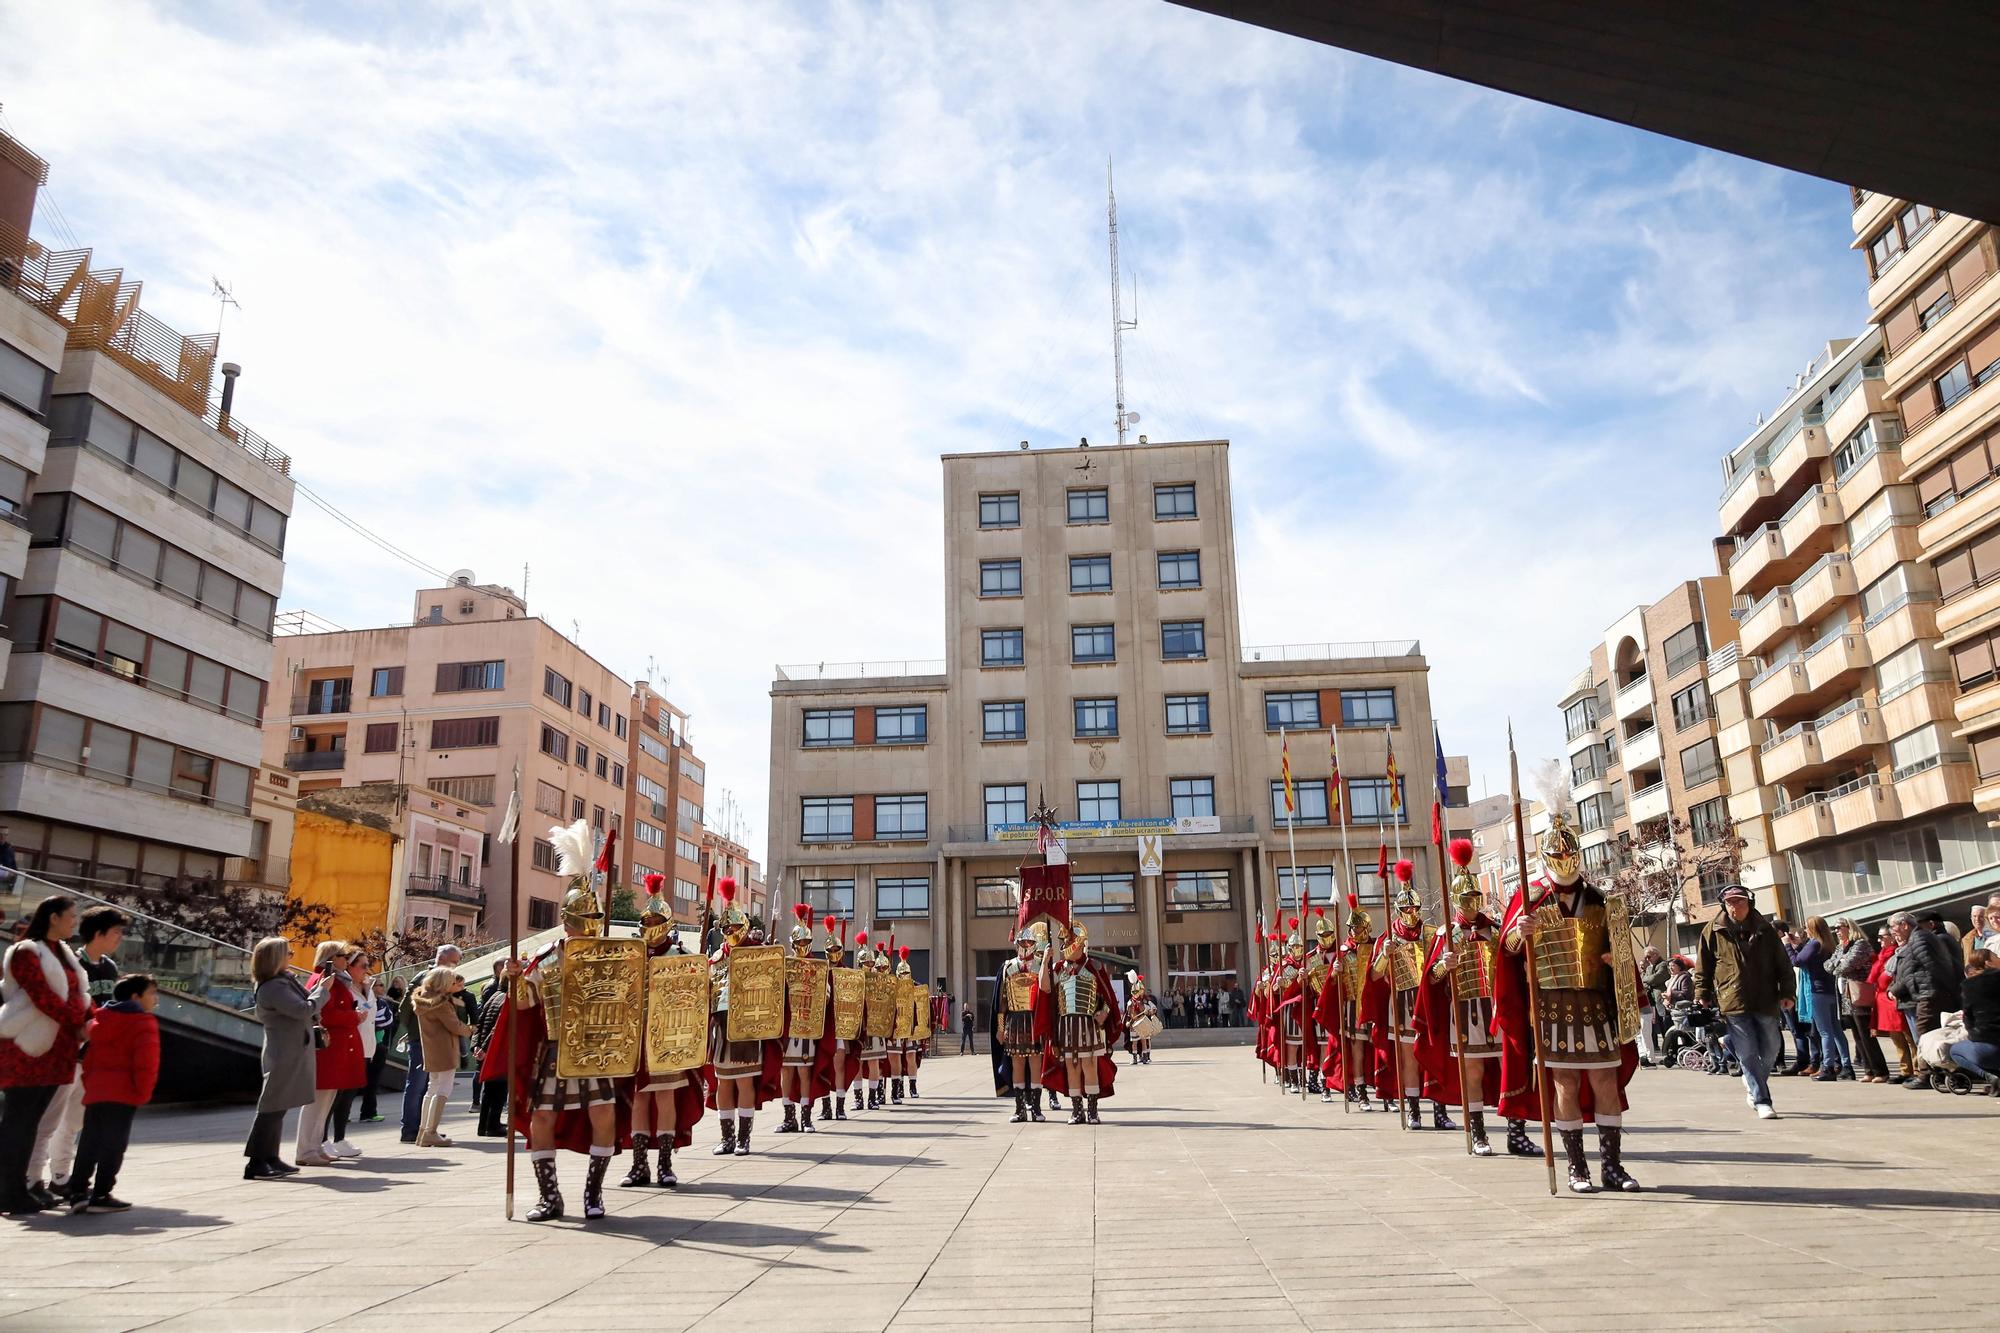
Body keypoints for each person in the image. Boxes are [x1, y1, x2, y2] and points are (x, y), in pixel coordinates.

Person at [478, 821, 629, 1222]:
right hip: (555, 1047)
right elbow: (526, 1006)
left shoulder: (615, 955)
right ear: (567, 920)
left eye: (593, 916)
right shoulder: (545, 956)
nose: (589, 924)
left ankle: (594, 1194)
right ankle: (550, 1197)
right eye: (582, 918)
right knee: (542, 1116)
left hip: (600, 1046)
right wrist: (512, 981)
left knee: (603, 1114)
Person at [1496, 816, 1640, 1193]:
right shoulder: (1529, 898)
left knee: (1606, 1082)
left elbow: (1621, 952)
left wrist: (1616, 961)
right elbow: (1507, 952)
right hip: (1552, 1006)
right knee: (1566, 1083)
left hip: (1596, 1004)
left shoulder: (1599, 899)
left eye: (1568, 852)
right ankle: (1577, 1167)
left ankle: (1612, 1167)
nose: (1563, 857)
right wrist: (1518, 933)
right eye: (1557, 853)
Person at [0, 896, 91, 1216]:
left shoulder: (63, 952)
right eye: (70, 916)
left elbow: (80, 994)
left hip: (57, 1049)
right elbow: (43, 997)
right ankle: (8, 1192)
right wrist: (78, 1023)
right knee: (18, 1122)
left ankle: (20, 1188)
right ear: (53, 918)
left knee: (32, 1123)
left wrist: (86, 1019)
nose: (74, 921)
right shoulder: (27, 951)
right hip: (28, 1047)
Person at [27, 905, 123, 1208]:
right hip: (70, 1051)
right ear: (98, 933)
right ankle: (33, 1178)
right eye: (116, 932)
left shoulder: (109, 967)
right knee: (51, 1118)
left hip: (95, 1054)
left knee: (74, 1120)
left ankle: (61, 1176)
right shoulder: (73, 963)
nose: (120, 938)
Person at [617, 879, 705, 1185]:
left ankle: (665, 1164)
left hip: (670, 1038)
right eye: (647, 921)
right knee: (639, 1099)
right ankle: (639, 1164)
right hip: (636, 1038)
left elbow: (696, 997)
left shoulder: (680, 955)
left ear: (667, 924)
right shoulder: (631, 956)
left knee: (665, 1096)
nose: (651, 926)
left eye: (656, 921)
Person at [1417, 842, 1502, 1154]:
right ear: (1455, 899)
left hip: (1496, 1009)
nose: (1471, 903)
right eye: (1465, 897)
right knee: (1473, 1073)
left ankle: (1517, 1131)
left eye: (1474, 897)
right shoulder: (1445, 935)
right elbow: (1432, 978)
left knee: (1510, 1069)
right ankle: (1478, 1132)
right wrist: (1444, 965)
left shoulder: (1494, 929)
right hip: (1465, 1011)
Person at [1367, 864, 1454, 1132]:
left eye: (1414, 909)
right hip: (1403, 1003)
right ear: (1398, 911)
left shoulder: (1432, 933)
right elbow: (1373, 977)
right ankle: (1414, 1109)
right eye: (1405, 910)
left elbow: (1441, 965)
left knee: (1436, 1054)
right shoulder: (1388, 938)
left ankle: (1440, 1111)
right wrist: (1384, 954)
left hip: (1432, 1001)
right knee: (1409, 1058)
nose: (1410, 914)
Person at [1696, 884, 1794, 1119]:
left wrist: (1788, 993)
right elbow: (1703, 967)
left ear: (1749, 903)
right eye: (1730, 902)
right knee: (1748, 1051)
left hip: (1765, 997)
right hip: (1732, 1000)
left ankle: (1750, 1078)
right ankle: (1762, 1100)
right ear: (1724, 904)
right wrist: (1702, 994)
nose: (1735, 906)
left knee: (1771, 1048)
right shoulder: (1712, 931)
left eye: (1740, 901)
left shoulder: (1766, 930)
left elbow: (1783, 964)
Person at [68, 973, 159, 1213]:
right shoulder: (143, 1023)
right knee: (113, 1144)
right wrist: (142, 1093)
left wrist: (91, 1083)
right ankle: (101, 1193)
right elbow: (147, 1063)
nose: (155, 999)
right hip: (124, 1093)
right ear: (135, 997)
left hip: (97, 1091)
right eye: (151, 993)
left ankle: (77, 1190)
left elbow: (89, 1059)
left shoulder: (100, 1020)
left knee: (90, 1141)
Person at [703, 878, 782, 1154]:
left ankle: (744, 1139)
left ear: (745, 927)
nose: (730, 931)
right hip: (722, 1027)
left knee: (744, 1080)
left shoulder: (758, 954)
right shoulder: (714, 959)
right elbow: (706, 994)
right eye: (726, 927)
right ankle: (727, 1138)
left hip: (749, 1024)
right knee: (724, 1081)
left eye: (735, 926)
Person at [243, 936, 324, 1179]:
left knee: (279, 1106)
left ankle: (270, 1156)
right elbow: (302, 1009)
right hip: (283, 1052)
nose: (291, 957)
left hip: (291, 1048)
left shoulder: (283, 982)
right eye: (287, 953)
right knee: (271, 1106)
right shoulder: (273, 987)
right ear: (275, 958)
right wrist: (322, 992)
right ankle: (256, 1161)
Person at [1040, 919, 1122, 1124]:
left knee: (1089, 1065)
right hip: (1066, 1026)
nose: (1065, 945)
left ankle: (1092, 1110)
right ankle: (1077, 1110)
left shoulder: (1094, 966)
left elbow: (1108, 997)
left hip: (1089, 1025)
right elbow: (1044, 989)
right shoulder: (1059, 968)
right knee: (1072, 1067)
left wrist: (1103, 1012)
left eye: (1068, 941)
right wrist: (1044, 962)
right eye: (1064, 941)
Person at [296, 941, 363, 1167]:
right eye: (343, 955)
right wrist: (354, 1017)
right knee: (317, 1102)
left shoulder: (335, 980)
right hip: (327, 1048)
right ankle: (307, 1148)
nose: (347, 959)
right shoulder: (325, 980)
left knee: (325, 1101)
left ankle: (315, 1146)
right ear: (332, 958)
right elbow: (326, 1014)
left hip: (336, 1047)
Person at [1888, 910, 1962, 1087]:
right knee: (1931, 1034)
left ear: (1905, 925)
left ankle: (1925, 1075)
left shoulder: (1919, 939)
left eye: (1893, 927)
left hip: (1929, 994)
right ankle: (1940, 1073)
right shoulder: (1922, 938)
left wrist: (1895, 990)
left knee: (1924, 1035)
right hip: (1933, 992)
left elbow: (1920, 969)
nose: (1892, 932)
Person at [401, 944, 462, 1143]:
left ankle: (420, 1130)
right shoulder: (434, 985)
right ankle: (424, 1130)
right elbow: (406, 1010)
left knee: (427, 1086)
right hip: (431, 1040)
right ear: (445, 959)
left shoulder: (422, 983)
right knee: (430, 1086)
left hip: (423, 1038)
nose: (457, 966)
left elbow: (406, 1009)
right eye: (455, 961)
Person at [322, 950, 377, 1159]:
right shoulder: (343, 987)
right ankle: (323, 1139)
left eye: (367, 964)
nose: (366, 970)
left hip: (365, 1046)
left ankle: (340, 1137)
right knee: (336, 1096)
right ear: (350, 967)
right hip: (348, 1045)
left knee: (349, 1095)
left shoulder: (368, 987)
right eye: (362, 965)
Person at [412, 966, 475, 1146]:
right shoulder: (440, 1003)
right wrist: (470, 1030)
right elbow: (455, 1025)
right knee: (443, 1089)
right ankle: (431, 1132)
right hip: (445, 1048)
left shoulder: (423, 999)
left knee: (432, 1088)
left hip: (431, 1048)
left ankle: (423, 1131)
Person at [1791, 917, 1852, 1081]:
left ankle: (1828, 1067)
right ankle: (1847, 1065)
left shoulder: (1814, 943)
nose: (1805, 930)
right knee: (1836, 1030)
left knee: (1825, 1032)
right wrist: (1798, 946)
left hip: (1817, 991)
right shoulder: (1829, 944)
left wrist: (1788, 947)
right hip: (1830, 991)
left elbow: (1798, 961)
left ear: (1812, 928)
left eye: (1806, 927)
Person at [1829, 917, 1888, 1082]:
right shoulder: (1841, 947)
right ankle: (1869, 1070)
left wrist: (1839, 964)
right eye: (1835, 929)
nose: (1837, 931)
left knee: (1866, 1034)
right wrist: (1838, 963)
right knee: (1857, 1035)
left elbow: (1844, 966)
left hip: (1860, 994)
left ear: (1849, 927)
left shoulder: (1860, 944)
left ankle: (1880, 1071)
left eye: (1840, 927)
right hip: (1847, 996)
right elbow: (1828, 965)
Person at [1945, 948, 2000, 1092]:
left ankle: (1990, 1076)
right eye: (1996, 956)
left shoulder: (1969, 986)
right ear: (1988, 962)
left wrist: (1973, 1035)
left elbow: (1968, 1017)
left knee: (1954, 1050)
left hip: (1987, 1046)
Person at [1868, 930, 1916, 1081]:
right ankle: (1905, 1070)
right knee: (1897, 1038)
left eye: (1882, 936)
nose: (1879, 939)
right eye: (1879, 936)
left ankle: (1918, 1070)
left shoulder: (1896, 954)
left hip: (1897, 997)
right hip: (1884, 1000)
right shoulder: (1884, 955)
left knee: (1909, 1037)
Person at [472, 964, 509, 1138]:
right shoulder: (507, 999)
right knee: (498, 1090)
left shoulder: (494, 996)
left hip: (486, 1049)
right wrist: (485, 1048)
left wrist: (477, 1046)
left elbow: (480, 1024)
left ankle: (485, 1125)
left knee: (489, 1090)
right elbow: (497, 1028)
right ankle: (492, 1125)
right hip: (496, 1050)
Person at [360, 976, 400, 1123]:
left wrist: (375, 1024)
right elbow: (363, 1017)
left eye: (382, 985)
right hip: (362, 1044)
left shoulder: (383, 1003)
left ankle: (369, 1112)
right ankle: (342, 1115)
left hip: (378, 1045)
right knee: (353, 1082)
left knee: (373, 1080)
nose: (381, 988)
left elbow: (388, 1020)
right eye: (378, 985)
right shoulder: (367, 1002)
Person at [1638, 946, 1668, 1066]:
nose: (1647, 959)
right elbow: (1644, 980)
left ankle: (1667, 1049)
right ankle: (1656, 1048)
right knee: (1652, 1027)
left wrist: (1647, 979)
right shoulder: (1650, 967)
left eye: (1649, 956)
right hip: (1651, 1001)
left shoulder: (1663, 965)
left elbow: (1655, 978)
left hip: (1660, 999)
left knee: (1665, 1025)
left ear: (1656, 955)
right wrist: (1646, 975)